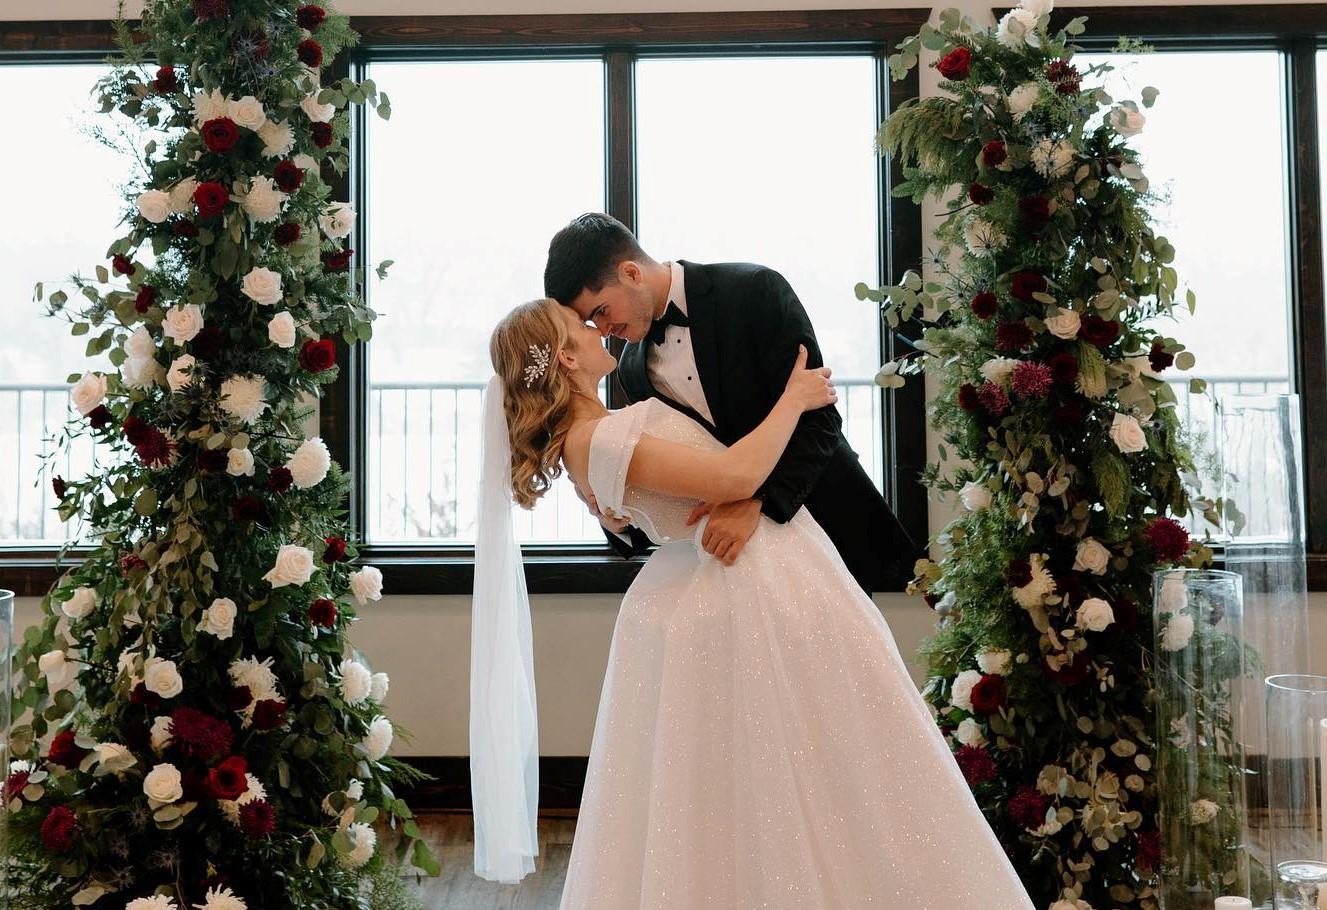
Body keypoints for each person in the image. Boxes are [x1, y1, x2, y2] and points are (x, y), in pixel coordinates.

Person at [469, 297, 1035, 908]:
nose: (593, 329)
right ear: (565, 357)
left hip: (749, 574)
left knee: (811, 757)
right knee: (804, 758)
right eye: (579, 326)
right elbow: (735, 478)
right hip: (750, 584)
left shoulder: (600, 431)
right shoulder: (599, 439)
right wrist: (793, 399)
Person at [542, 212, 916, 589]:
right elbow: (670, 481)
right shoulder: (632, 368)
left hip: (825, 521)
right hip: (732, 565)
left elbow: (819, 418)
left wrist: (759, 502)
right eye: (591, 322)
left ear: (631, 273)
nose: (604, 331)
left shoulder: (754, 289)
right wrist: (613, 517)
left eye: (601, 311)